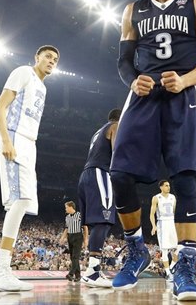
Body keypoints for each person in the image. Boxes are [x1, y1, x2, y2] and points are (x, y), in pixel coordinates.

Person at [110, 0, 196, 301]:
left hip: (183, 96)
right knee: (120, 175)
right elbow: (124, 61)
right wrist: (133, 80)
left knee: (184, 176)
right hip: (143, 98)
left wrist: (186, 79)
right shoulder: (133, 10)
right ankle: (136, 249)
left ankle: (185, 268)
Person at [0, 45, 60, 291]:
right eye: (48, 56)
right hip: (15, 137)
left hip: (30, 144)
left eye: (55, 59)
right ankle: (0, 268)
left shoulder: (44, 87)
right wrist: (6, 139)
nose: (51, 61)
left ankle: (3, 268)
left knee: (24, 201)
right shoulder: (23, 72)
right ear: (36, 57)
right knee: (19, 200)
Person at [77, 108, 121, 287]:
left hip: (87, 174)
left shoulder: (98, 131)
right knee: (104, 219)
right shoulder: (116, 126)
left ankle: (93, 269)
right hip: (100, 173)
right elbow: (117, 154)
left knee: (96, 222)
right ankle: (93, 271)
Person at [149, 180, 177, 281]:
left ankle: (172, 267)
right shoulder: (156, 198)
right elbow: (152, 214)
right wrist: (153, 226)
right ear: (161, 187)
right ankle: (168, 273)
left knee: (178, 248)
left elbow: (174, 212)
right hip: (162, 223)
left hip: (172, 222)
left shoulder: (173, 197)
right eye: (166, 186)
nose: (168, 187)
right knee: (164, 251)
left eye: (169, 185)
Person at [59, 201, 83, 282]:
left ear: (70, 207)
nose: (65, 209)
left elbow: (85, 226)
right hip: (70, 236)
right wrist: (62, 237)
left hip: (78, 236)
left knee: (75, 257)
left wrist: (86, 239)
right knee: (73, 257)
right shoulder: (67, 217)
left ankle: (71, 274)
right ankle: (78, 275)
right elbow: (66, 228)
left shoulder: (79, 215)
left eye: (66, 207)